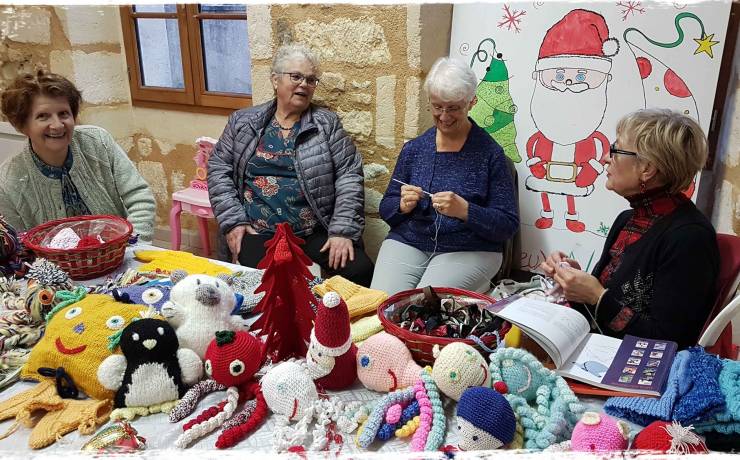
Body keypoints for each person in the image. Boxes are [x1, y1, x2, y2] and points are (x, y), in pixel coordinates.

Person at [541, 108, 719, 349]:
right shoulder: (627, 220)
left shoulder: (689, 237)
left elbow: (670, 340)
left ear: (647, 168)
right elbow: (600, 311)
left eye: (616, 150)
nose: (605, 157)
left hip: (636, 372)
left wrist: (597, 296)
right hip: (598, 349)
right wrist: (571, 281)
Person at [208, 43, 373, 286]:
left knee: (360, 269)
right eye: (296, 77)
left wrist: (342, 231)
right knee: (274, 286)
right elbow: (218, 169)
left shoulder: (326, 125)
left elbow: (349, 176)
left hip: (313, 230)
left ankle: (336, 323)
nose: (304, 84)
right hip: (259, 230)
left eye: (311, 80)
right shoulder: (243, 122)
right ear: (275, 80)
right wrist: (234, 221)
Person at [370, 57, 519, 295]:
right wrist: (402, 205)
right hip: (409, 241)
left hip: (469, 248)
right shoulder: (415, 149)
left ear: (472, 102)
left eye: (454, 108)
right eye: (437, 107)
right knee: (381, 305)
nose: (444, 116)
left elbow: (507, 226)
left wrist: (465, 210)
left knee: (420, 306)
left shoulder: (490, 154)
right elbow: (387, 208)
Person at [0, 70, 156, 240]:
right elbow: (17, 245)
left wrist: (132, 243)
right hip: (51, 266)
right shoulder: (8, 182)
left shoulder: (97, 141)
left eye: (63, 114)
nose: (57, 125)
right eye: (43, 116)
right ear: (22, 125)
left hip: (120, 254)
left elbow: (140, 196)